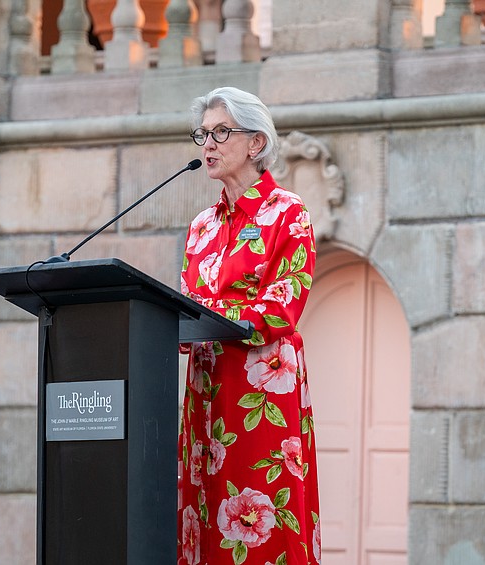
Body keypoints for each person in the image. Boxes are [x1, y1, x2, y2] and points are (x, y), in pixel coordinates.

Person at [178, 86, 321, 565]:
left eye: (221, 132)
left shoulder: (289, 213)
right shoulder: (201, 226)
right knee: (206, 507)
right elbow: (183, 303)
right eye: (204, 134)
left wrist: (209, 312)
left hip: (261, 388)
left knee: (261, 509)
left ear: (255, 143)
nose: (208, 145)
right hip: (207, 387)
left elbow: (282, 307)